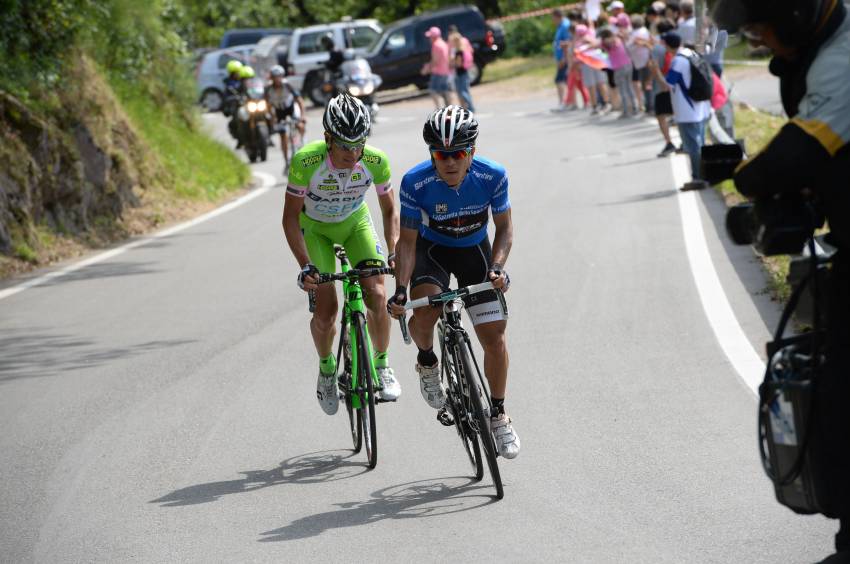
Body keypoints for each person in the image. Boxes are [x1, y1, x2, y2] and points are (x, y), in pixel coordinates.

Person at [713, 0, 850, 559]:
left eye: (757, 24)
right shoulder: (820, 52)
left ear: (790, 14)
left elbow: (802, 148)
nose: (756, 38)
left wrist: (747, 180)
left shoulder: (841, 58)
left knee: (840, 392)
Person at [387, 106, 520, 460]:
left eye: (458, 154)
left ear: (471, 152)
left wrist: (498, 268)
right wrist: (401, 290)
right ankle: (428, 362)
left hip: (474, 249)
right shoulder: (416, 182)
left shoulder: (492, 176)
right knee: (426, 310)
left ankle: (498, 413)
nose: (448, 162)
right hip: (432, 251)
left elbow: (505, 228)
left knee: (494, 336)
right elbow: (408, 243)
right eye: (440, 155)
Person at [282, 93, 401, 414]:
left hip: (354, 224)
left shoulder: (375, 161)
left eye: (359, 144)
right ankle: (326, 369)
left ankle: (383, 364)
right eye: (345, 146)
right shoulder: (306, 162)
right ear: (327, 139)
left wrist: (393, 252)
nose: (353, 154)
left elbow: (390, 212)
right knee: (326, 310)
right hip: (316, 229)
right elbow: (290, 218)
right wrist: (306, 265)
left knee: (376, 293)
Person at [658, 31, 710, 190]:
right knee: (699, 143)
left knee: (693, 146)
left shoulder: (678, 61)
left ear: (667, 45)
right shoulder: (691, 53)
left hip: (687, 111)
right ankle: (703, 175)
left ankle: (698, 178)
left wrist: (654, 71)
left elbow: (666, 86)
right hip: (701, 107)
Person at [265, 65, 306, 175]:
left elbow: (300, 100)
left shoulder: (287, 85)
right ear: (271, 78)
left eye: (279, 76)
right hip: (279, 112)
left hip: (291, 109)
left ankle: (301, 140)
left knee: (300, 125)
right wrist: (272, 118)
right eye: (274, 77)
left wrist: (302, 116)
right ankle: (286, 161)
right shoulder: (268, 89)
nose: (277, 79)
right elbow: (268, 105)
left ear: (282, 76)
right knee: (283, 135)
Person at [648, 18, 678, 155]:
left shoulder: (658, 47)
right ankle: (684, 141)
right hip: (676, 84)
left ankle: (669, 142)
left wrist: (660, 83)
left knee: (661, 116)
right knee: (677, 113)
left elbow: (654, 67)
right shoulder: (676, 42)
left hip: (661, 86)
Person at [599, 27, 638, 118]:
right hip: (628, 65)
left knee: (622, 89)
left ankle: (626, 111)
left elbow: (600, 45)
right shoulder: (618, 39)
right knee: (629, 87)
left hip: (619, 68)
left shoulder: (606, 43)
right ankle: (634, 107)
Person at [574, 24, 613, 115]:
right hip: (590, 63)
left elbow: (597, 45)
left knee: (597, 84)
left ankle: (603, 103)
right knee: (595, 84)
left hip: (593, 63)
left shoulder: (585, 39)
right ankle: (599, 104)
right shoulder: (583, 39)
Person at [422, 26, 453, 108]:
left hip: (438, 72)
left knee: (433, 90)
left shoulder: (436, 45)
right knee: (445, 90)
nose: (429, 39)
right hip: (445, 70)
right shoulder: (443, 43)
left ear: (433, 37)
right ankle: (449, 108)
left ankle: (438, 108)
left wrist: (427, 68)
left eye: (430, 37)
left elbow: (435, 60)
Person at [628, 14, 653, 113]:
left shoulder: (639, 33)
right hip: (642, 61)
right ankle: (648, 105)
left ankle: (650, 106)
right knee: (645, 84)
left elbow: (629, 46)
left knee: (647, 84)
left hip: (645, 61)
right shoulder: (644, 31)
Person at [448, 29, 475, 112]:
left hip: (461, 74)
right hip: (462, 73)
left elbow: (458, 64)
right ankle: (468, 107)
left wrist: (452, 64)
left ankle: (470, 107)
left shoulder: (459, 52)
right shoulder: (460, 50)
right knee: (464, 91)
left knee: (463, 92)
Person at [550, 9, 572, 112]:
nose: (552, 20)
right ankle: (568, 101)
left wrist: (564, 58)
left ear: (558, 16)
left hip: (565, 58)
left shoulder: (565, 26)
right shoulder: (560, 26)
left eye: (553, 18)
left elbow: (568, 42)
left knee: (560, 80)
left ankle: (564, 102)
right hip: (561, 57)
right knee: (567, 81)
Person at [223, 60, 244, 146]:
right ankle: (240, 139)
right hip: (236, 104)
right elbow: (225, 96)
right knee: (236, 120)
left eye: (239, 72)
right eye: (236, 72)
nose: (238, 74)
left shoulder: (244, 80)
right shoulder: (228, 83)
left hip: (246, 102)